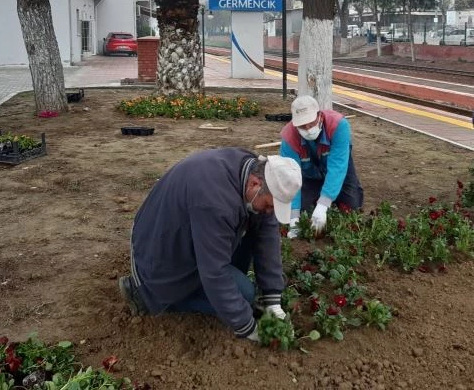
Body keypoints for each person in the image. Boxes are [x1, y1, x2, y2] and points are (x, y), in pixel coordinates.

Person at [118, 148, 302, 341]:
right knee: (244, 295)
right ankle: (145, 295)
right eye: (270, 205)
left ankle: (212, 291)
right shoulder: (214, 201)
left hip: (190, 233)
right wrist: (247, 326)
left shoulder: (253, 170)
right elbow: (215, 271)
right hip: (159, 252)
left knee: (258, 218)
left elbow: (267, 236)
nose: (270, 211)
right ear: (255, 184)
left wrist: (272, 299)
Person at [280, 95, 364, 236]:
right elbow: (290, 178)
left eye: (311, 123)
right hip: (309, 174)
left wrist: (323, 204)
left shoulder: (338, 126)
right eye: (302, 125)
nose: (307, 129)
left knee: (352, 206)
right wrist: (294, 217)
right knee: (304, 212)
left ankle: (332, 196)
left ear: (320, 115)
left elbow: (338, 166)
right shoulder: (289, 138)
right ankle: (319, 196)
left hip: (339, 168)